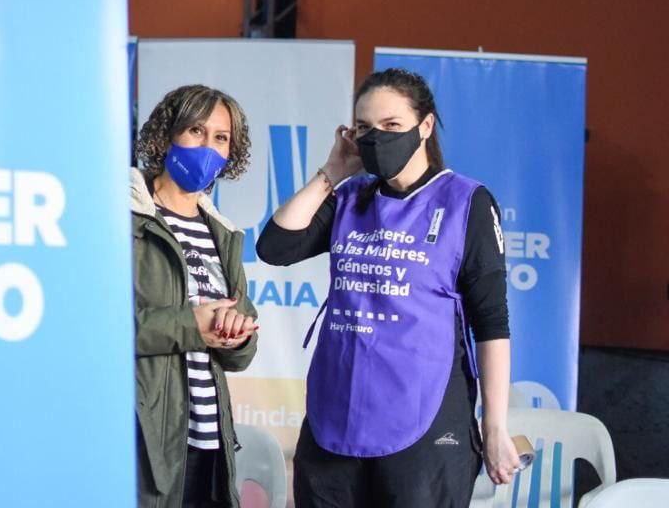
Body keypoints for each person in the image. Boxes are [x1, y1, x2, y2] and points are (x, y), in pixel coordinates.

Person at [256, 68, 520, 507]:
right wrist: (332, 171)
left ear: (426, 126)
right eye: (364, 128)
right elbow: (275, 247)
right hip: (334, 419)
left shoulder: (465, 202)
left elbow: (491, 323)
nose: (376, 138)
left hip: (425, 424)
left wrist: (494, 427)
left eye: (392, 125)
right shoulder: (350, 197)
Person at [133, 84, 259, 508]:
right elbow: (96, 329)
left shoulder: (222, 233)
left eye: (220, 138)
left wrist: (237, 333)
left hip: (210, 443)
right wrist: (193, 326)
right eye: (195, 131)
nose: (208, 147)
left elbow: (238, 357)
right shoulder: (126, 220)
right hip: (145, 444)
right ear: (167, 134)